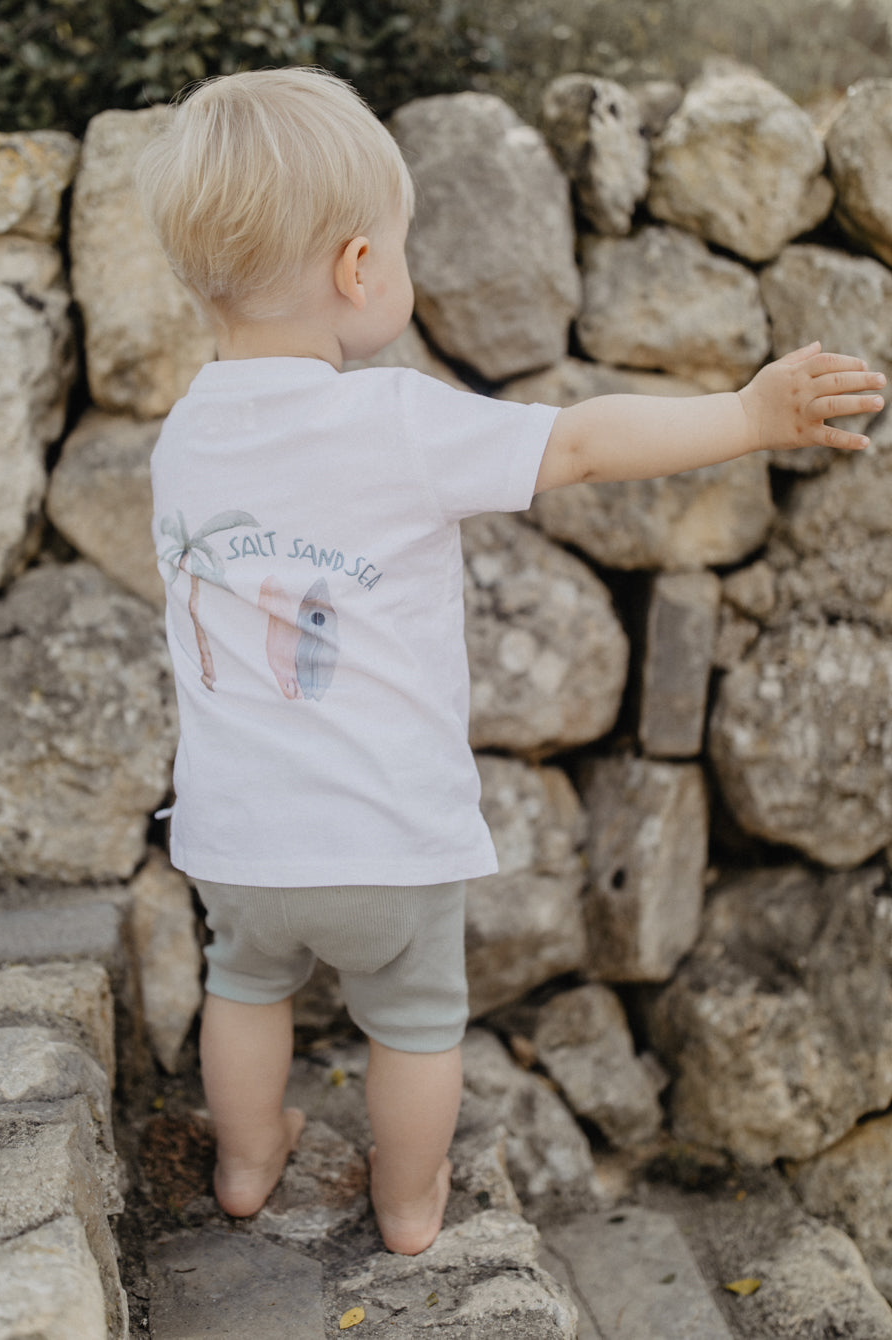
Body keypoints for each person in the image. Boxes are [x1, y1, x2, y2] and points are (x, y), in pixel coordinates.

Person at [138, 66, 885, 1257]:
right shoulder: (395, 417)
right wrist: (745, 416)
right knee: (417, 1020)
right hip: (384, 837)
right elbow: (582, 441)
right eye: (401, 240)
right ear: (357, 269)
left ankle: (242, 1162)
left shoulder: (184, 436)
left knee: (245, 986)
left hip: (236, 840)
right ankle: (410, 1202)